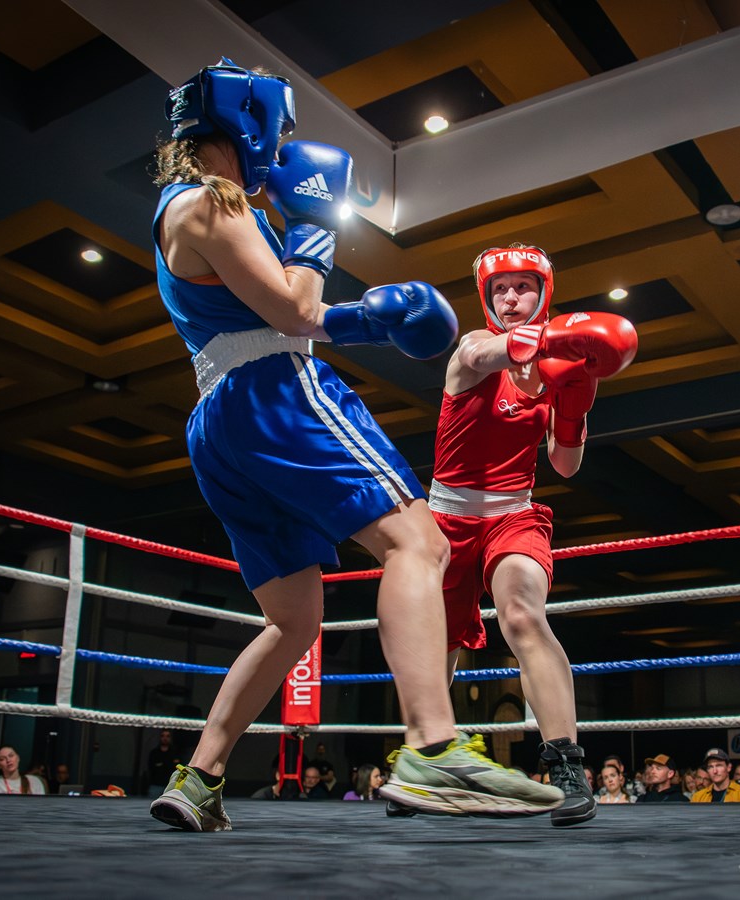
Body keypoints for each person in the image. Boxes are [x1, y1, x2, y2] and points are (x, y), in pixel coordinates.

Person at [146, 59, 561, 832]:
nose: (289, 144)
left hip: (219, 420)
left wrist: (368, 318)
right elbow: (297, 312)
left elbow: (267, 313)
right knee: (420, 543)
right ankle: (432, 748)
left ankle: (199, 776)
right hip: (275, 396)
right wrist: (316, 223)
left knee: (291, 622)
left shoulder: (176, 208)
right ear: (252, 121)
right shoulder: (215, 203)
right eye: (283, 128)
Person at [424, 242, 637, 826]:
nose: (511, 298)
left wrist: (574, 401)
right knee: (435, 645)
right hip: (447, 519)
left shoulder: (556, 374)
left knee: (521, 614)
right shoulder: (473, 349)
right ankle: (428, 761)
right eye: (500, 290)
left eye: (522, 288)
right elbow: (493, 352)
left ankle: (566, 764)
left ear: (543, 294)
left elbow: (564, 466)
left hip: (515, 514)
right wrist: (562, 341)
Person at [145, 729, 180, 794]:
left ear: (170, 738)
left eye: (167, 736)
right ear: (160, 738)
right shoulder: (154, 753)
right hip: (156, 785)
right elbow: (151, 768)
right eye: (163, 736)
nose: (165, 738)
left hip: (171, 786)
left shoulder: (175, 753)